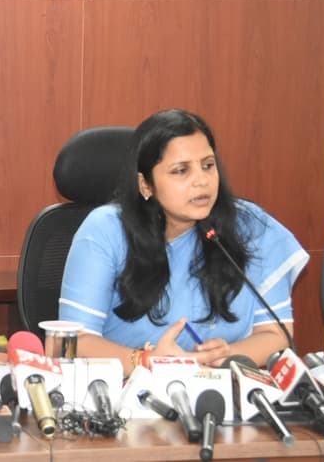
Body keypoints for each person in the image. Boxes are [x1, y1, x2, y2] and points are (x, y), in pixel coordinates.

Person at [59, 109, 308, 374]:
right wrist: (148, 361)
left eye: (208, 165)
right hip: (125, 390)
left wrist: (222, 356)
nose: (201, 180)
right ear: (145, 185)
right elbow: (68, 343)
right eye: (181, 170)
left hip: (218, 387)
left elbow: (276, 334)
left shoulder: (250, 227)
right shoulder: (106, 230)